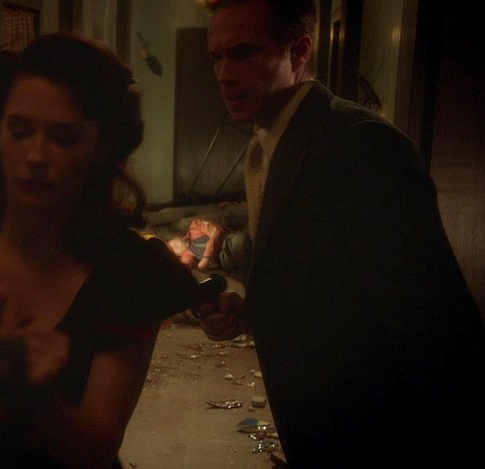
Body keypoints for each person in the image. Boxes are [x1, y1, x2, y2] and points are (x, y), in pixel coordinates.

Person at [0, 32, 198, 469]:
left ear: (101, 147)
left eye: (63, 138)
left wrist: (39, 399)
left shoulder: (131, 271)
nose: (35, 156)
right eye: (20, 131)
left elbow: (95, 453)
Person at [195, 1, 485, 468]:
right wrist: (254, 309)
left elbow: (434, 327)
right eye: (216, 57)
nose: (224, 74)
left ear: (300, 51)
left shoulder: (360, 144)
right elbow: (332, 284)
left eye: (244, 53)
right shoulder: (270, 143)